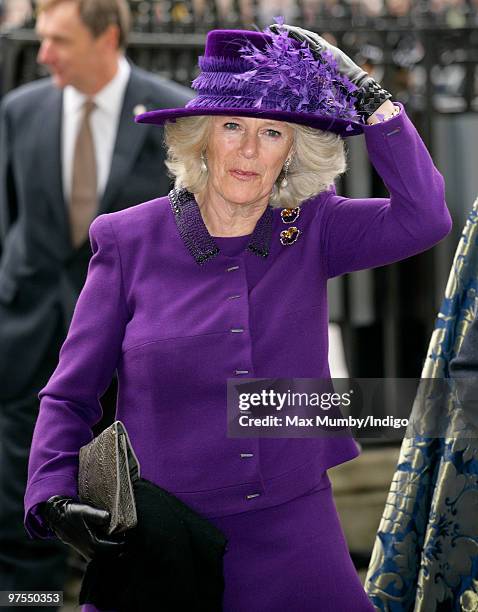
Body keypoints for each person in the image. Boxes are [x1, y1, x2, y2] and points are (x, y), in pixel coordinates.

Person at [24, 22, 451, 611]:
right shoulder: (127, 240)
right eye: (232, 126)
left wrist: (367, 96)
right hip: (171, 538)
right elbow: (69, 395)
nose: (249, 150)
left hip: (296, 531)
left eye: (272, 131)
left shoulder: (312, 226)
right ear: (202, 138)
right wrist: (51, 494)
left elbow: (426, 216)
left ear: (292, 151)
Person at [0, 0, 192, 600]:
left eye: (58, 40)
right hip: (26, 336)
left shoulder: (175, 114)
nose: (42, 54)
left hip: (128, 346)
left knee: (127, 505)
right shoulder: (19, 110)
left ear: (107, 36)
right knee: (17, 497)